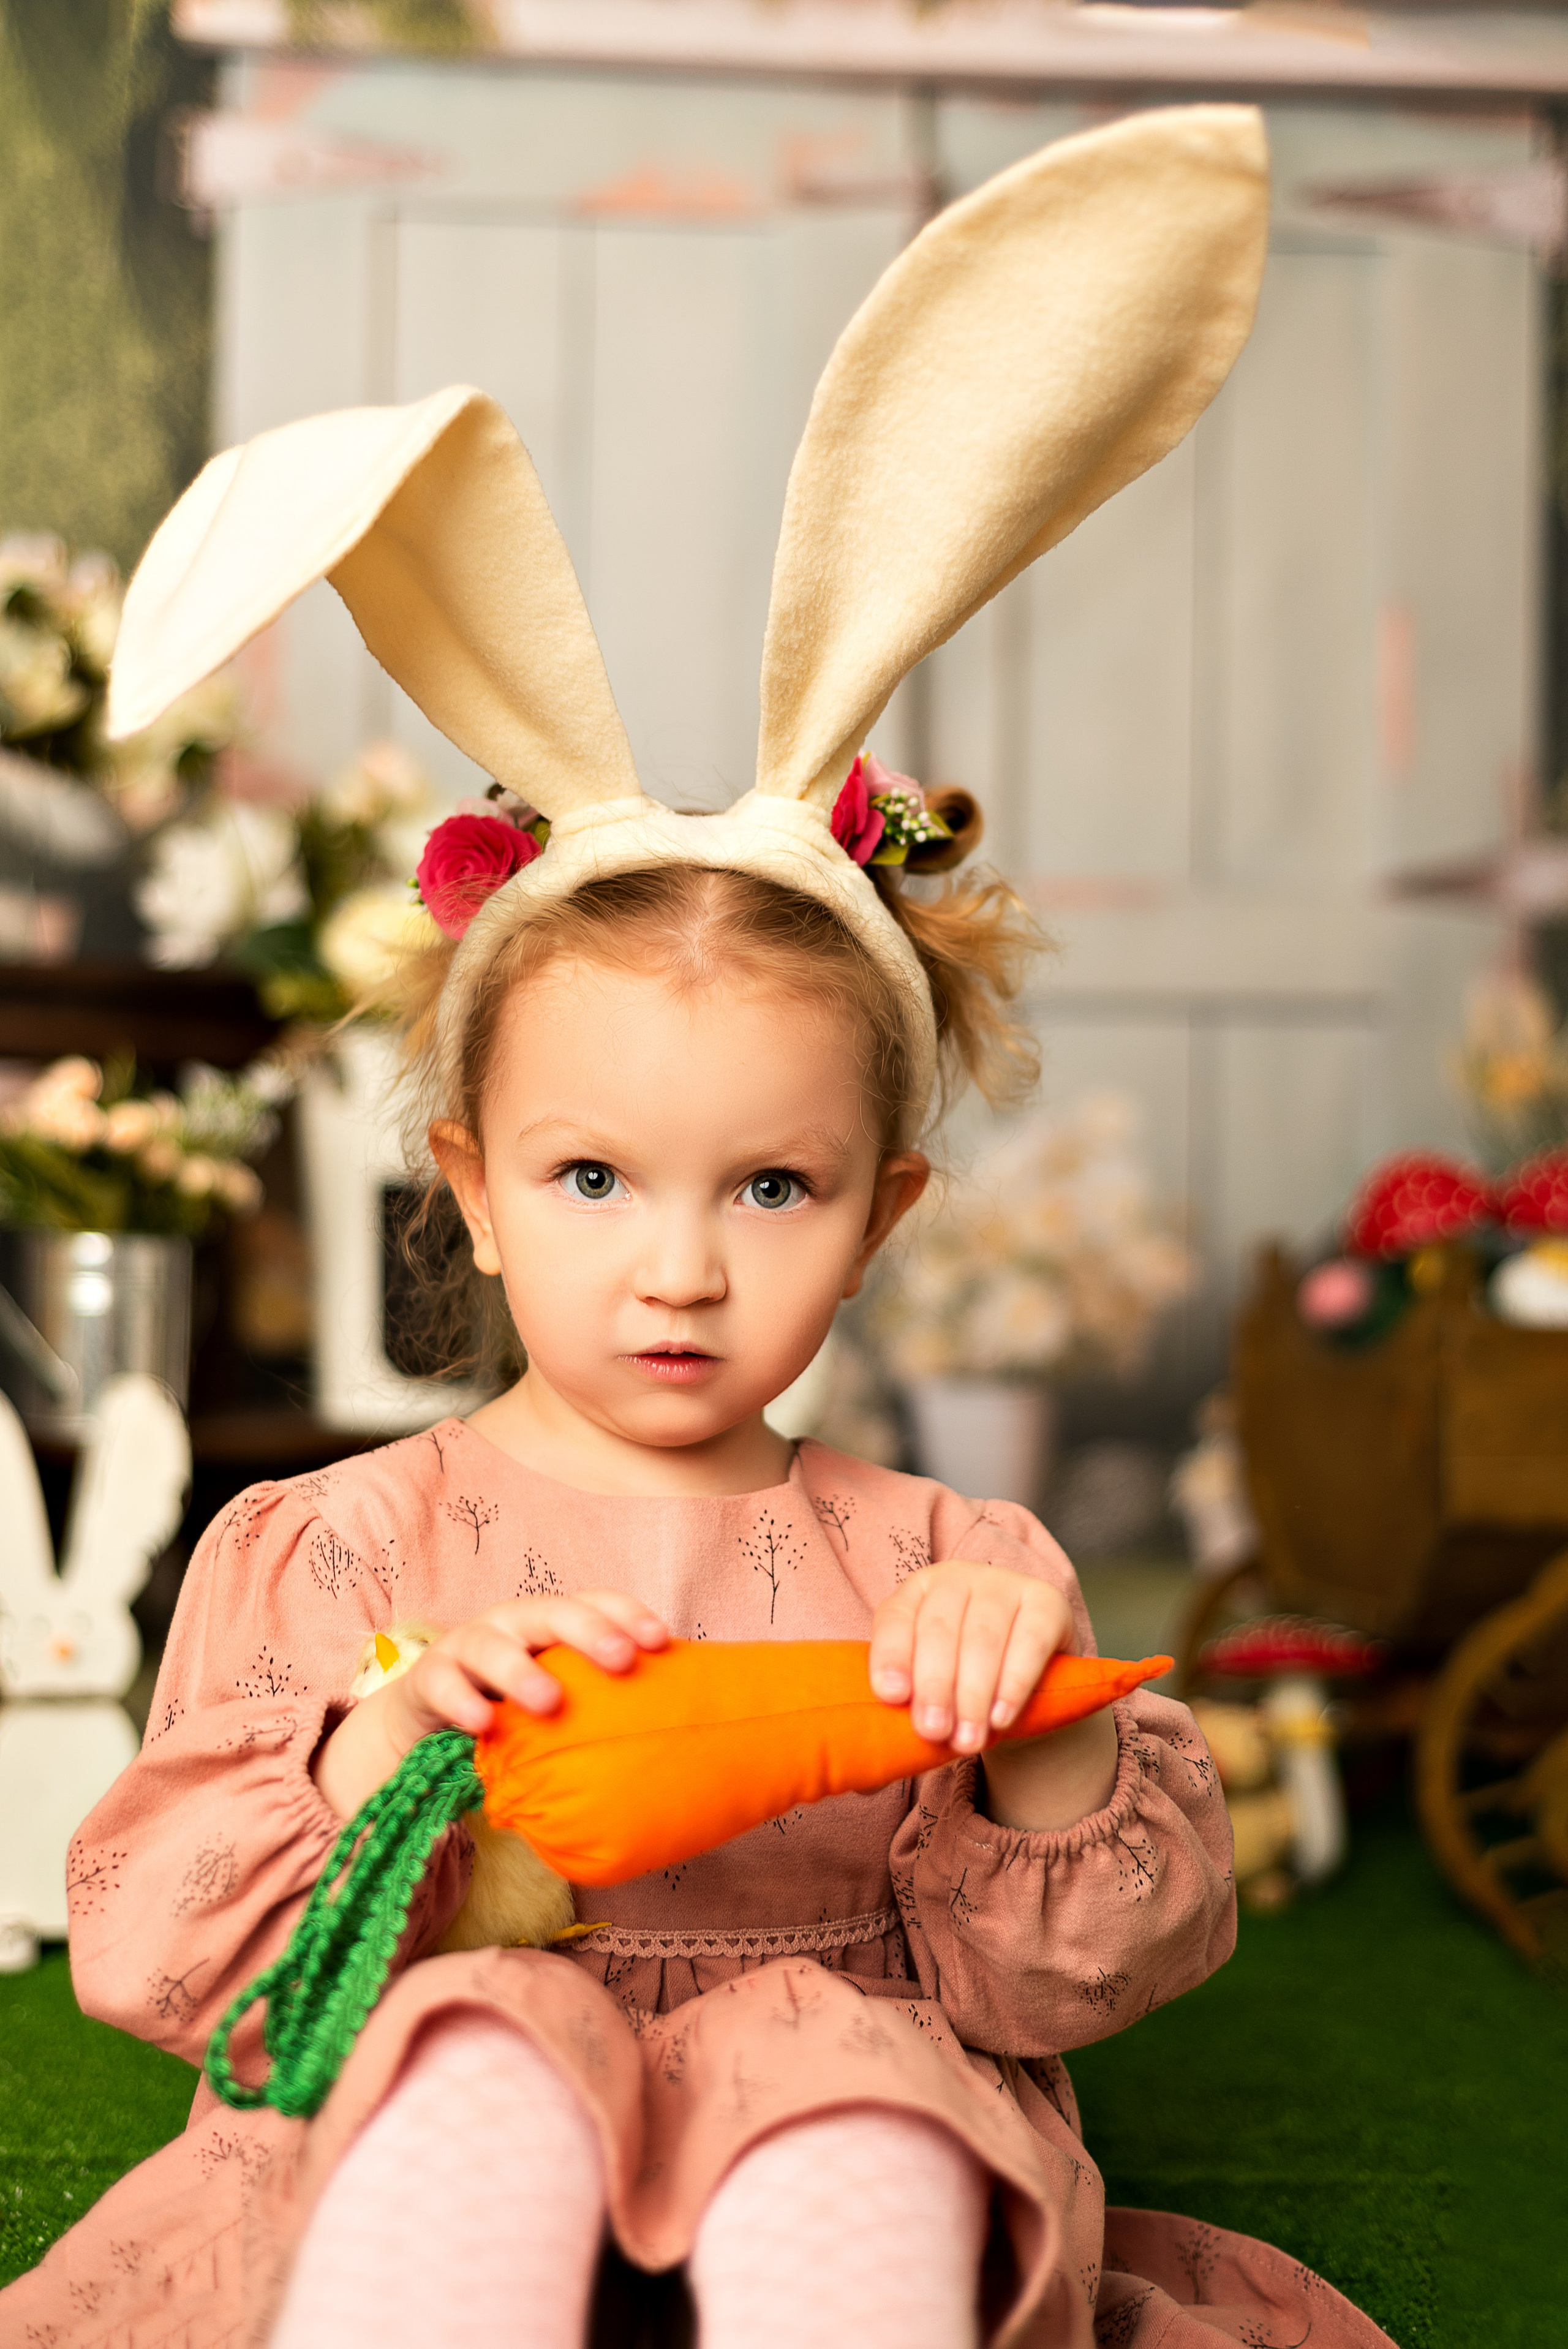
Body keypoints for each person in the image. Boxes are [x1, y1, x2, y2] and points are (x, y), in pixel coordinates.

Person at [2, 104, 1395, 2349]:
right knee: (466, 2061)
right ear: (465, 1179)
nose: (680, 1265)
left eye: (774, 1186)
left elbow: (1084, 1966)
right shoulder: (331, 1555)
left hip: (832, 2165)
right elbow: (162, 1942)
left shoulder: (950, 1567)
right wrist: (373, 1761)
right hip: (422, 2133)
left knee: (848, 2088)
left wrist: (1027, 1727)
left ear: (882, 1211)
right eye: (590, 1179)